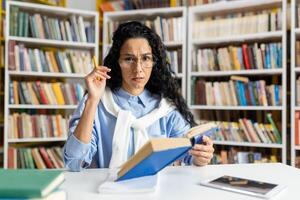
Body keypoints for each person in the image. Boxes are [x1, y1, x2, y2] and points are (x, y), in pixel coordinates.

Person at [63, 21, 214, 171]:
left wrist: (200, 156)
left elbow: (189, 155)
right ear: (118, 63)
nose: (138, 69)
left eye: (146, 58)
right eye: (129, 59)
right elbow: (75, 162)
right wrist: (92, 99)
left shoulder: (166, 110)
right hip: (106, 193)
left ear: (154, 62)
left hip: (156, 193)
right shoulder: (97, 103)